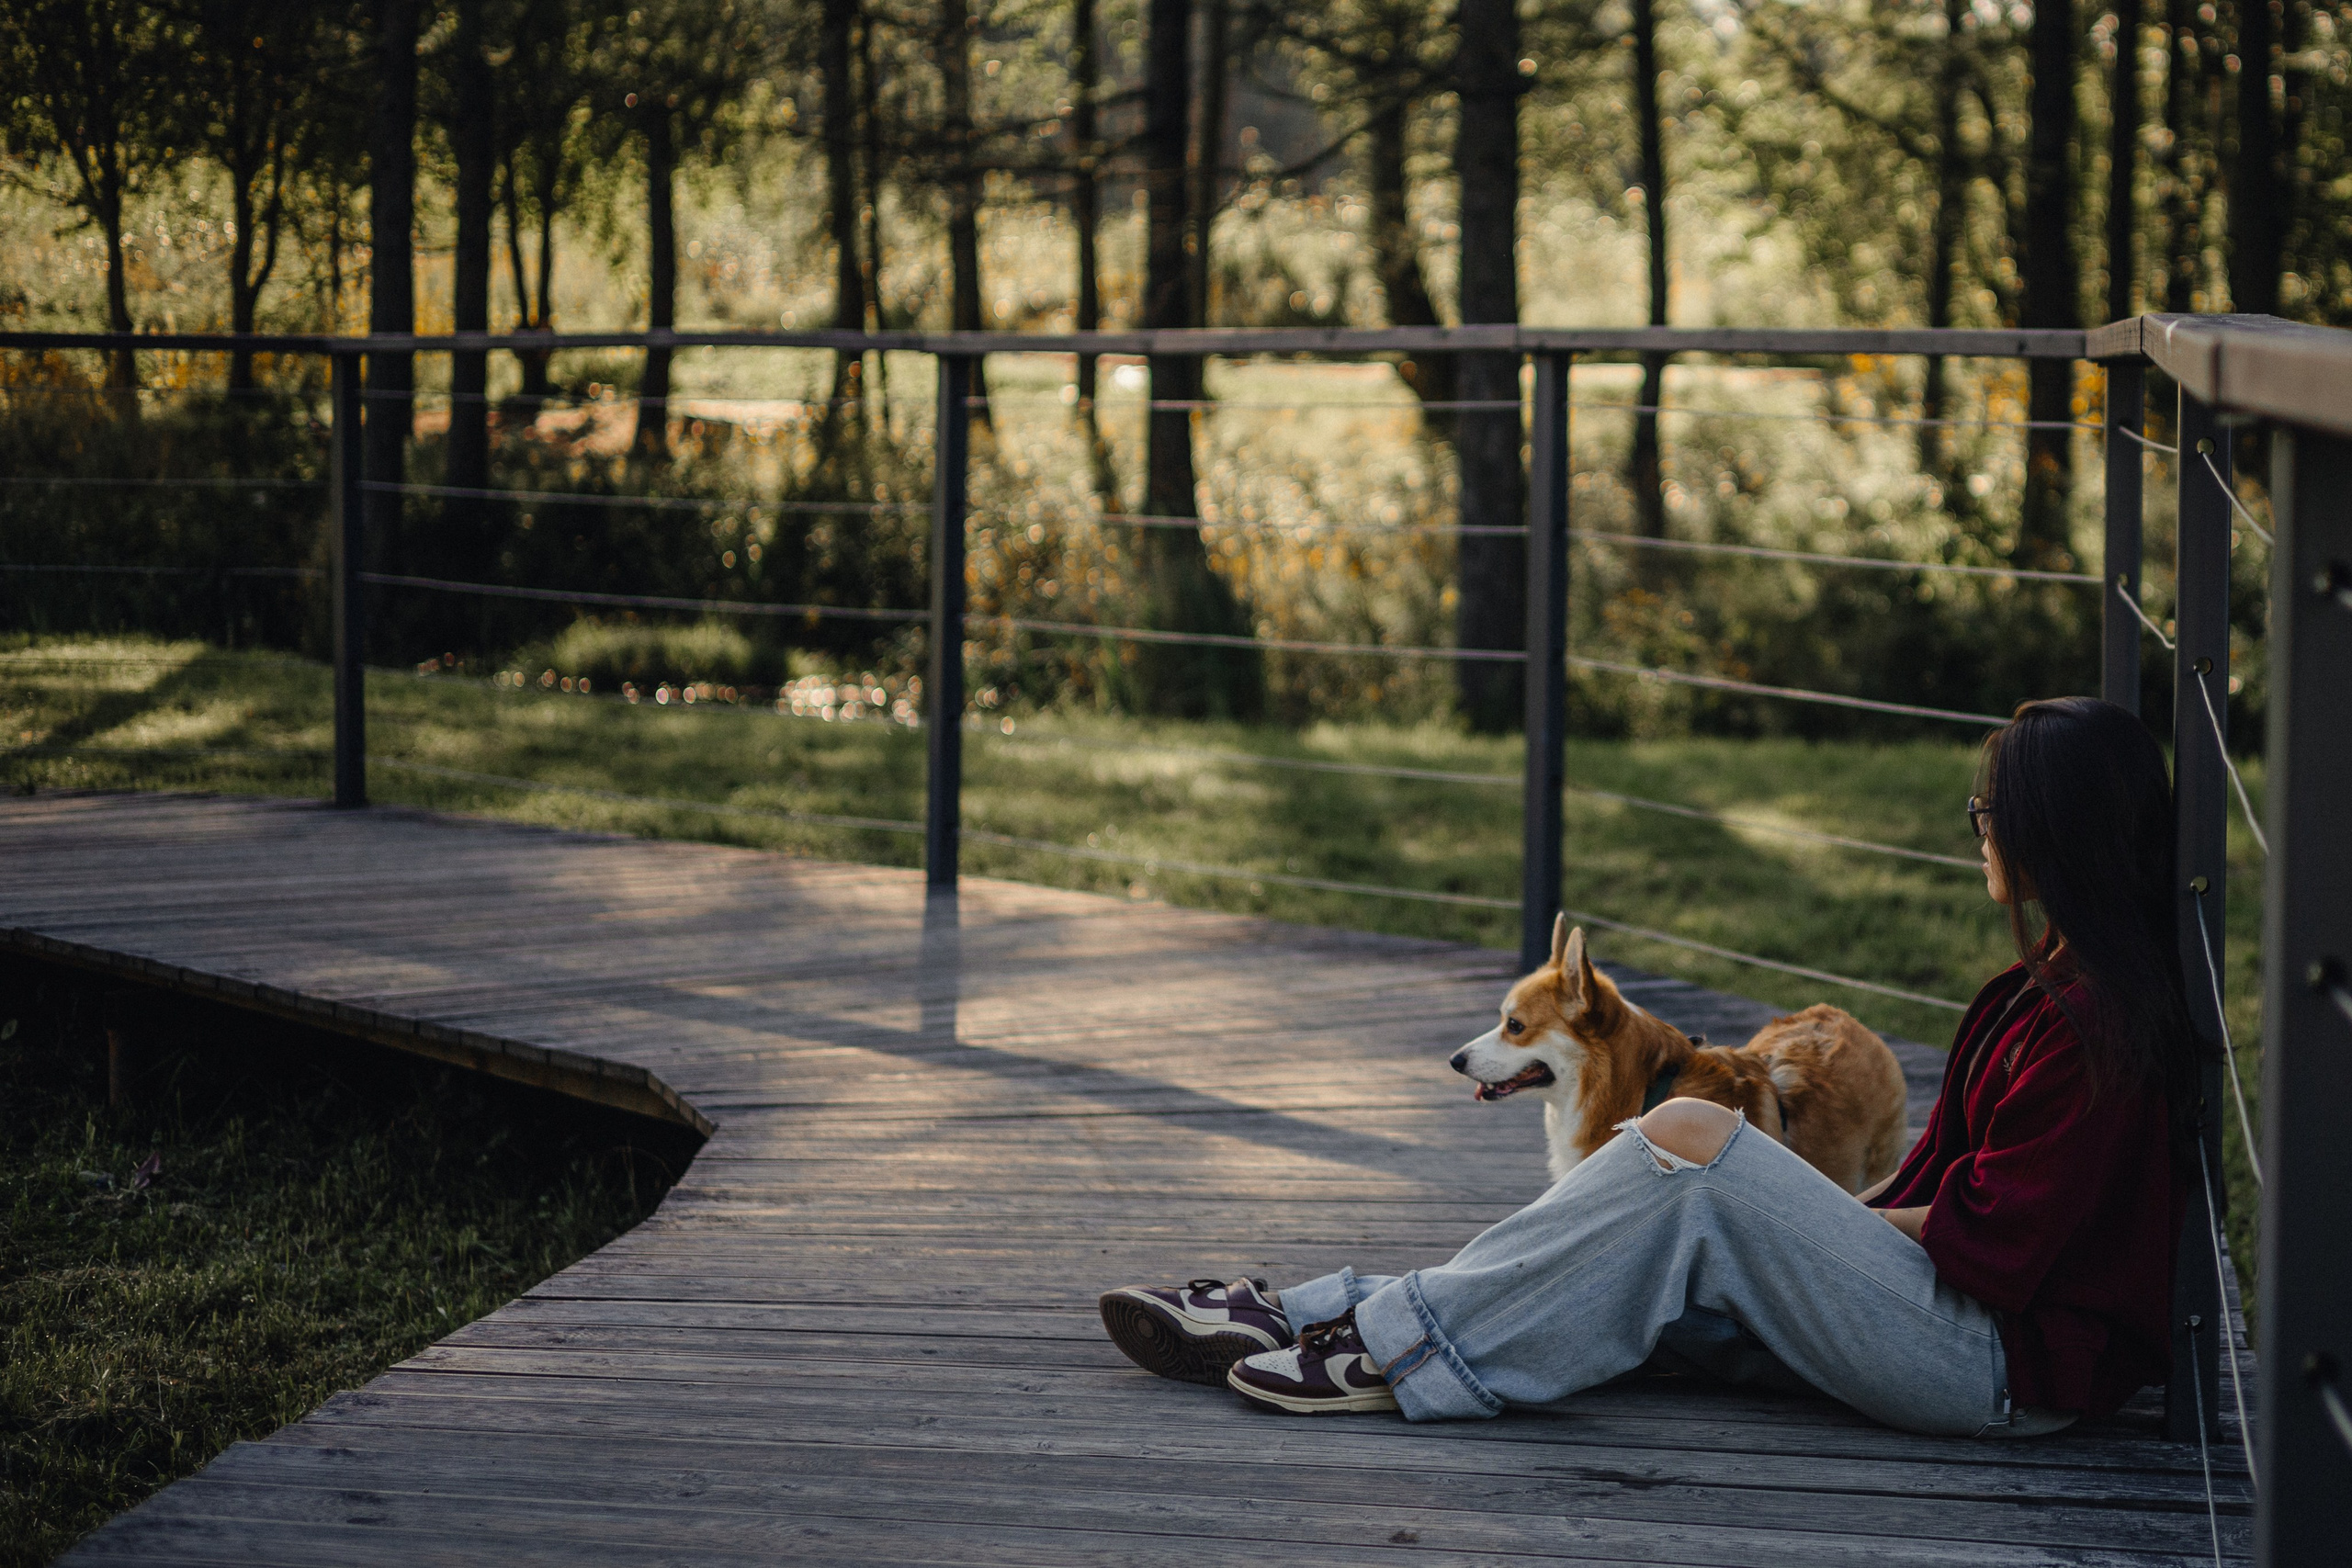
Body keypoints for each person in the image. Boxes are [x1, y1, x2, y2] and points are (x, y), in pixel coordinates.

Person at [1098, 696, 2208, 1437]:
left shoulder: (2091, 1028)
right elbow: (1943, 1199)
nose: (1976, 826)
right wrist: (1795, 1220)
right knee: (1623, 1259)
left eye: (1991, 810)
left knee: (1690, 1147)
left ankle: (1377, 1349)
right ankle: (1308, 1314)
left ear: (2056, 831)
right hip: (1956, 1329)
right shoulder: (2042, 994)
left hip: (2001, 1370)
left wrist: (1786, 1211)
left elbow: (1996, 1246)